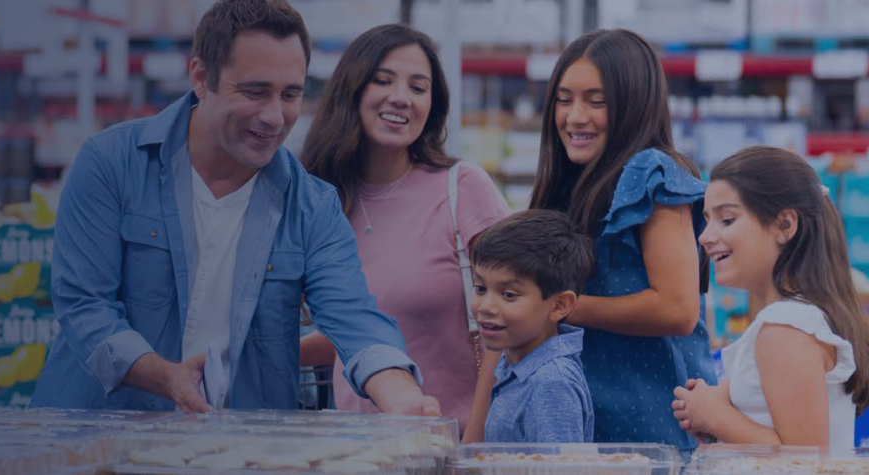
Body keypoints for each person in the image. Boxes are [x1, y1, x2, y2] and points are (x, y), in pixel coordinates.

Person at [31, 0, 437, 416]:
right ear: (201, 78)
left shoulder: (312, 205)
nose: (275, 116)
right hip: (95, 438)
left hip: (234, 448)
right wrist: (163, 376)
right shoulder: (112, 163)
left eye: (291, 94)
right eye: (256, 91)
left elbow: (354, 318)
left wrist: (401, 395)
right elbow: (84, 305)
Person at [471, 29, 716, 451]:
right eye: (564, 100)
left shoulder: (651, 171)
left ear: (635, 104)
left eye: (596, 101)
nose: (575, 117)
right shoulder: (563, 185)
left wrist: (557, 308)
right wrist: (472, 443)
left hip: (653, 422)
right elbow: (512, 323)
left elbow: (677, 308)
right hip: (568, 416)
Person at [297, 24, 510, 436]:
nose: (401, 97)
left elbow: (512, 323)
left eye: (418, 87)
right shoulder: (324, 202)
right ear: (352, 89)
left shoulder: (462, 190)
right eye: (383, 80)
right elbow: (367, 330)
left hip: (450, 447)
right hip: (356, 451)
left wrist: (472, 444)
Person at [671, 146, 869, 448]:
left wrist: (717, 417)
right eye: (707, 220)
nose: (705, 236)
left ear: (785, 225)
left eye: (727, 220)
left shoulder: (785, 330)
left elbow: (805, 458)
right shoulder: (796, 319)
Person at [469, 210, 595, 443]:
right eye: (480, 289)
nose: (486, 307)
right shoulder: (514, 363)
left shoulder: (552, 382)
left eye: (508, 294)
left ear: (559, 305)